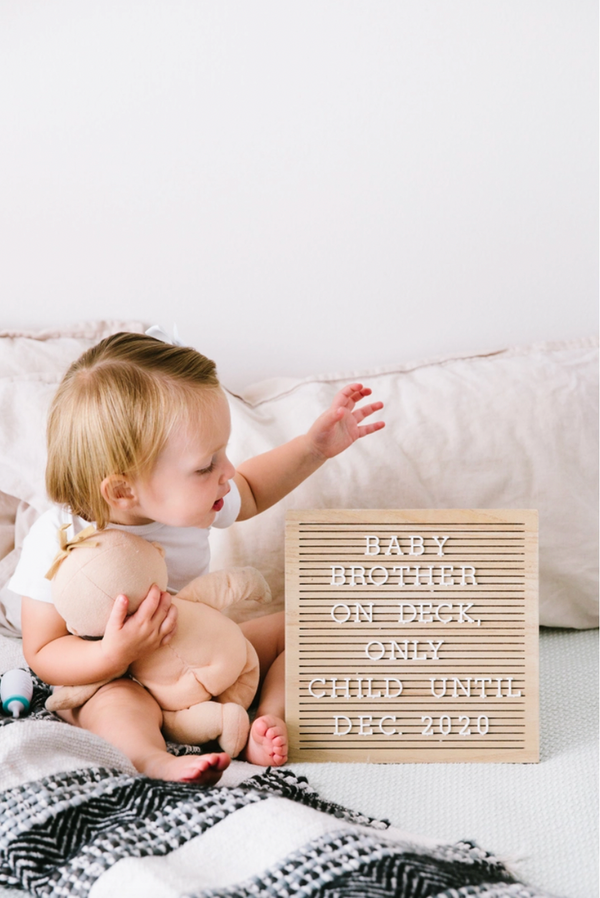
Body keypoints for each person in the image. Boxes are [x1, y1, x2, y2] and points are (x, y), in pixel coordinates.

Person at [10, 331, 385, 785]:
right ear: (124, 490)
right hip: (124, 678)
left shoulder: (191, 500)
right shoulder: (60, 539)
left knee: (301, 627)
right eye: (207, 465)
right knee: (114, 708)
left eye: (223, 454)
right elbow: (44, 651)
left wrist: (314, 448)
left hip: (203, 650)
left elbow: (252, 488)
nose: (227, 472)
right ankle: (155, 759)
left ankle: (268, 718)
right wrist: (114, 653)